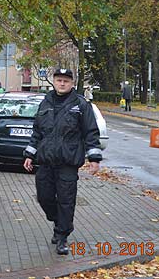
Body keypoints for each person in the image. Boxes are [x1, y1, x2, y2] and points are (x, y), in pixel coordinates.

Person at [23, 68, 102, 255]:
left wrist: (94, 158)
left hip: (68, 162)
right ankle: (58, 220)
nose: (62, 83)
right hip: (46, 161)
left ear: (72, 83)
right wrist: (29, 154)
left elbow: (91, 132)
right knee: (44, 197)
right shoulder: (45, 103)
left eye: (66, 80)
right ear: (54, 81)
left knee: (66, 201)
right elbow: (37, 132)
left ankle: (62, 237)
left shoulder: (81, 105)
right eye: (59, 80)